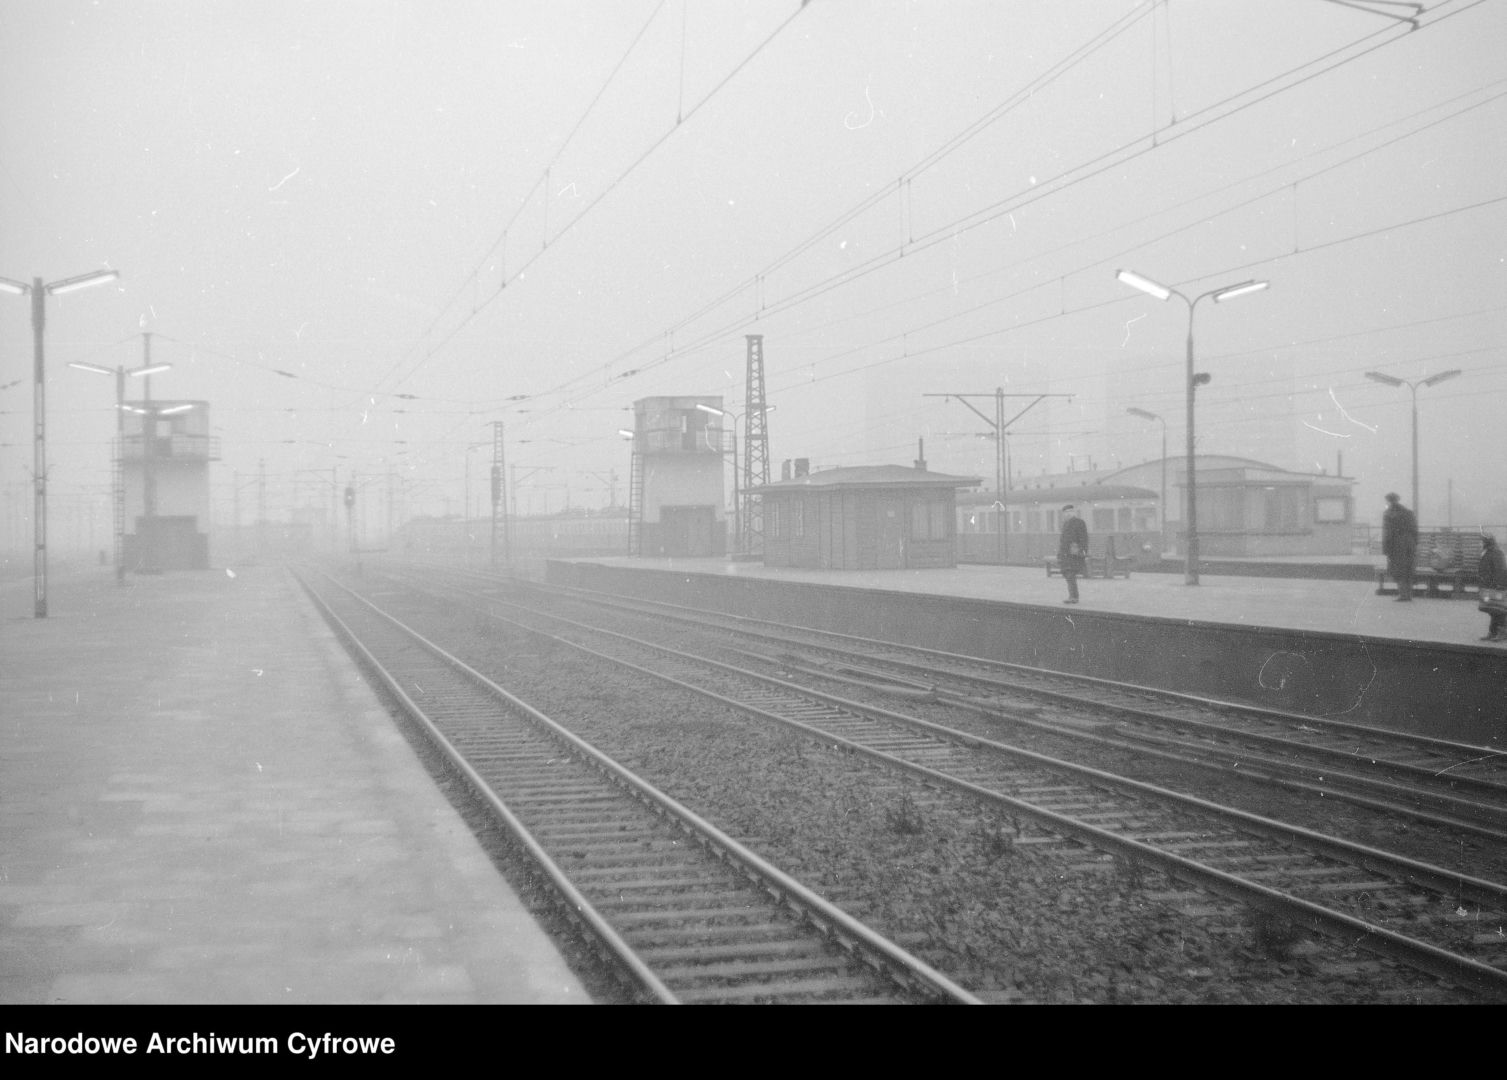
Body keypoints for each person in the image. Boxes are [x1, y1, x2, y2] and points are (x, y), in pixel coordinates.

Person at [1381, 492, 1418, 602]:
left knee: (1398, 569)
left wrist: (1386, 548)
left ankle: (1403, 595)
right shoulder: (1408, 513)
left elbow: (1387, 532)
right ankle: (1408, 594)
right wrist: (1414, 543)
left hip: (1396, 544)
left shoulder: (1388, 514)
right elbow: (1415, 530)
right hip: (1409, 543)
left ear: (1388, 501)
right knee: (1408, 569)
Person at [1477, 533, 1507, 642]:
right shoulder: (1488, 552)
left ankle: (1502, 632)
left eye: (1481, 541)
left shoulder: (1496, 552)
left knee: (1499, 609)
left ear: (1487, 543)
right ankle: (1493, 631)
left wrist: (1500, 584)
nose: (1479, 543)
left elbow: (1501, 570)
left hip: (1496, 586)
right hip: (1488, 586)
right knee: (1492, 609)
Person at [1058, 503, 1088, 604]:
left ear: (1074, 512)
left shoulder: (1079, 522)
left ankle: (1074, 597)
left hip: (1074, 554)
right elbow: (1063, 541)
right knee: (1068, 574)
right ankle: (1073, 596)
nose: (1067, 514)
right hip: (1066, 554)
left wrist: (1083, 551)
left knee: (1070, 574)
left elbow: (1083, 538)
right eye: (1065, 512)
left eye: (1070, 512)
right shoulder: (1066, 523)